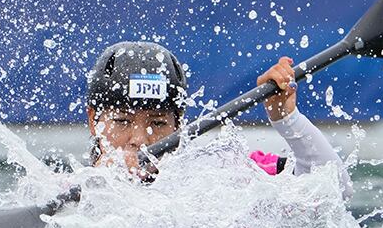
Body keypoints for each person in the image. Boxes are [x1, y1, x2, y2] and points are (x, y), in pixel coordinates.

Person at [85, 41, 351, 196]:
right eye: (122, 122)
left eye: (157, 123)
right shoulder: (63, 192)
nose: (141, 140)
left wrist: (288, 118)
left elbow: (333, 188)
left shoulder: (218, 175)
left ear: (179, 125)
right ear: (93, 120)